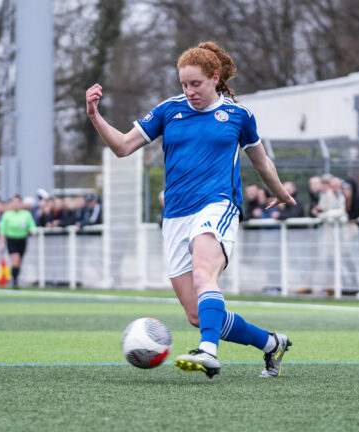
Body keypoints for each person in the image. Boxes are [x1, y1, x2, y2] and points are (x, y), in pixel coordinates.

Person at [86, 41, 294, 379]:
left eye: (195, 84)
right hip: (176, 217)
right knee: (198, 315)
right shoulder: (169, 110)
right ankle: (271, 344)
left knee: (203, 275)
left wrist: (281, 193)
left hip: (218, 205)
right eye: (184, 84)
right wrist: (95, 116)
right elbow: (123, 147)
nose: (189, 91)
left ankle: (207, 351)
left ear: (214, 78)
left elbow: (261, 161)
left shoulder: (239, 115)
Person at [0, 194, 37, 289]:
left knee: (19, 261)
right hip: (11, 239)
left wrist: (33, 230)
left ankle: (15, 278)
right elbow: (2, 230)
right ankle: (14, 282)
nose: (15, 204)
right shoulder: (7, 215)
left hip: (22, 239)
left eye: (17, 202)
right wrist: (2, 242)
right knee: (15, 261)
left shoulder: (26, 214)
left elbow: (31, 224)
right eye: (13, 202)